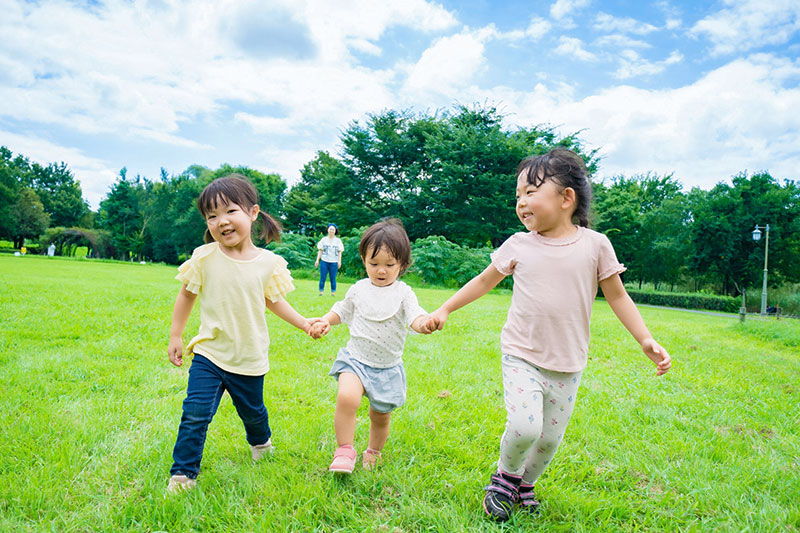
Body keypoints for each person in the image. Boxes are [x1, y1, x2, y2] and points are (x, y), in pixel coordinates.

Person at [427, 148, 672, 522]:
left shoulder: (595, 245)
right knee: (526, 426)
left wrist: (645, 339)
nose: (521, 203)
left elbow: (617, 295)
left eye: (530, 193)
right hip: (522, 353)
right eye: (518, 196)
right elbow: (483, 281)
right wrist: (445, 308)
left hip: (568, 362)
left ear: (566, 198)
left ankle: (526, 484)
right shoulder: (519, 244)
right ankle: (504, 479)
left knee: (549, 440)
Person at [166, 174, 321, 493]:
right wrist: (176, 335)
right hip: (209, 354)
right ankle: (183, 474)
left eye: (229, 211)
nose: (221, 221)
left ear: (252, 213)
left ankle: (261, 444)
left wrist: (305, 322)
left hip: (249, 357)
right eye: (211, 216)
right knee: (195, 413)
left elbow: (275, 302)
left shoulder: (268, 263)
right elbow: (186, 295)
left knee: (253, 413)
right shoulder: (204, 257)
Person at [310, 219, 436, 473]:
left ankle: (374, 451)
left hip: (387, 367)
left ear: (402, 263)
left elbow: (415, 316)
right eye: (373, 263)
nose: (381, 270)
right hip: (355, 360)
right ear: (363, 259)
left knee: (380, 416)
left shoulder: (404, 293)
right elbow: (341, 311)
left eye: (389, 265)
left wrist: (424, 323)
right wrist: (326, 321)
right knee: (347, 397)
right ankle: (344, 450)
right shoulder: (359, 289)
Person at [315, 224, 344, 296]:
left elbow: (340, 252)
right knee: (323, 277)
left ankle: (333, 292)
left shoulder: (338, 241)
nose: (331, 231)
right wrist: (317, 260)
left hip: (334, 262)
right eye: (330, 229)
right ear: (327, 230)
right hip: (324, 261)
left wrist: (339, 261)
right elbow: (320, 250)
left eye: (333, 229)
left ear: (335, 231)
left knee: (333, 278)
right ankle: (321, 292)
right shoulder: (324, 240)